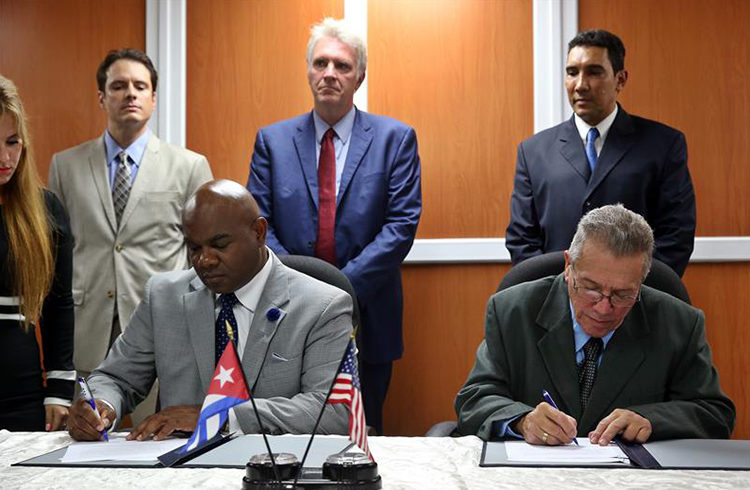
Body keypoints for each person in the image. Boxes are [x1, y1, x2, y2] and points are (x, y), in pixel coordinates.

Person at [67, 180, 352, 441]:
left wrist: (219, 417)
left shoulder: (323, 306)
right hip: (176, 472)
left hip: (272, 470)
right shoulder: (164, 297)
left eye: (220, 245)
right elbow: (115, 378)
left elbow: (333, 411)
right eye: (194, 248)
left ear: (259, 233)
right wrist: (100, 406)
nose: (204, 260)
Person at [248, 18, 421, 435]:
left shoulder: (395, 138)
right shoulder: (272, 140)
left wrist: (337, 290)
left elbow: (400, 226)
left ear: (359, 75)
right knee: (287, 430)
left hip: (369, 314)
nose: (330, 74)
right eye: (320, 63)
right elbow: (258, 225)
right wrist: (302, 292)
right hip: (285, 314)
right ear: (308, 71)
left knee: (363, 432)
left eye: (342, 66)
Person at [457, 204, 734, 445]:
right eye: (590, 288)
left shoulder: (679, 323)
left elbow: (714, 413)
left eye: (623, 295)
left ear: (642, 280)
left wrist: (651, 420)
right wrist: (522, 420)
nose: (603, 308)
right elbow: (475, 400)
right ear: (568, 266)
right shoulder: (512, 310)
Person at [47, 50, 213, 384]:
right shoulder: (65, 166)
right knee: (86, 433)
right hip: (87, 330)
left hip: (163, 328)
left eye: (140, 86)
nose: (130, 93)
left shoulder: (190, 166)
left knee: (156, 434)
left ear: (153, 98)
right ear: (102, 97)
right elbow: (55, 256)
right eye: (119, 86)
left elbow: (206, 256)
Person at [505, 29, 695, 277]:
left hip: (635, 302)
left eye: (594, 72)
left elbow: (676, 234)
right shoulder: (533, 152)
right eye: (572, 72)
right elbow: (521, 239)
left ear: (620, 79)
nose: (580, 85)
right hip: (555, 304)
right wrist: (554, 294)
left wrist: (630, 292)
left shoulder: (663, 144)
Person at [0, 75, 74, 431]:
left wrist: (60, 389)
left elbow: (59, 306)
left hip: (23, 396)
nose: (5, 157)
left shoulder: (45, 209)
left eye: (13, 142)